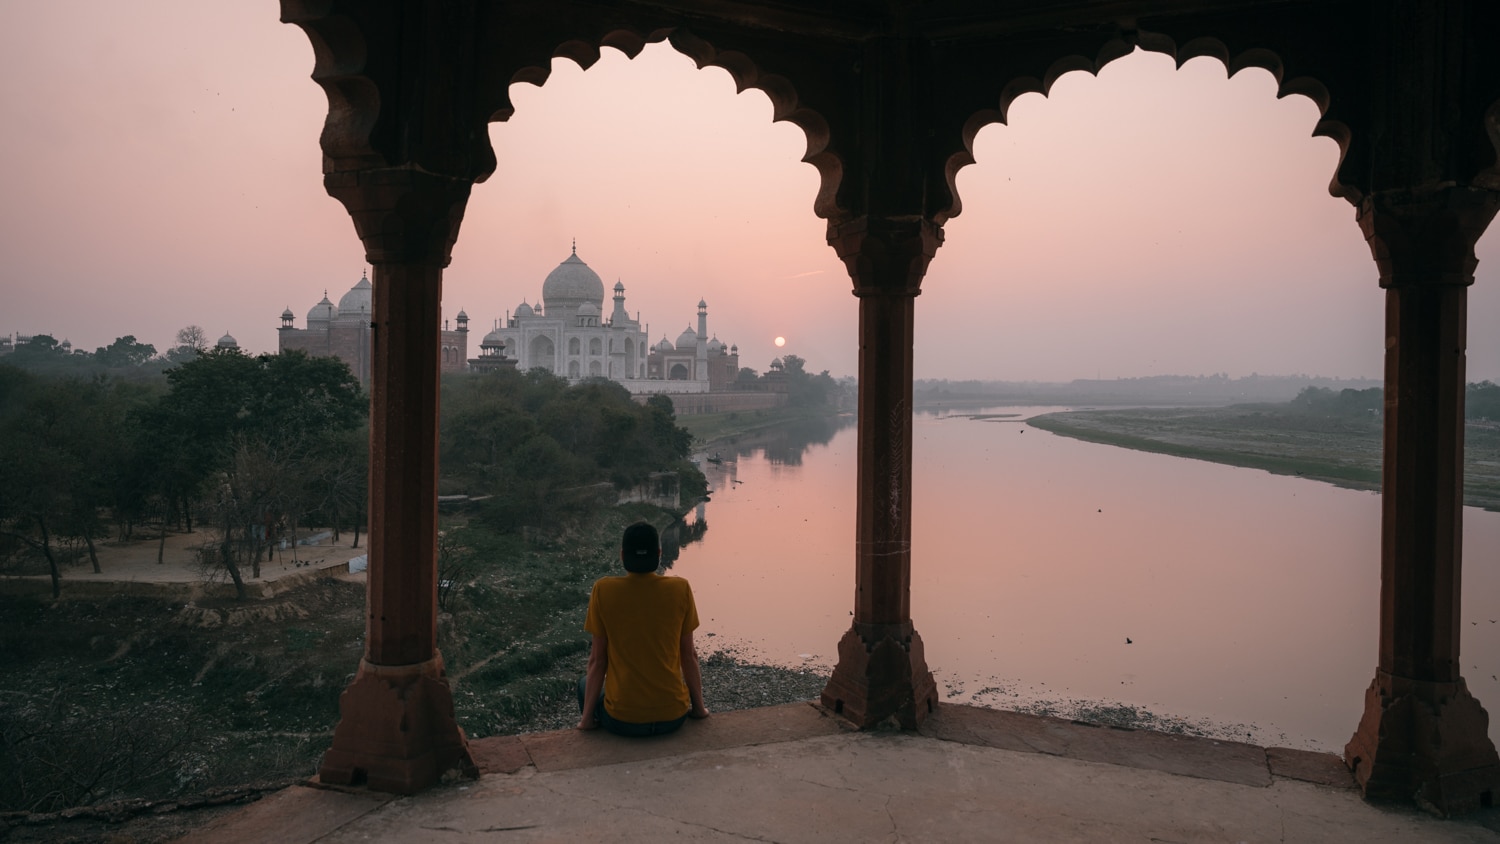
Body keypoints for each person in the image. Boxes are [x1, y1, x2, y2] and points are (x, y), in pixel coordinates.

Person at [576, 521, 710, 735]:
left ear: (622, 555)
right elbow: (689, 655)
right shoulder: (680, 589)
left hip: (623, 720)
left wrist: (585, 721)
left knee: (583, 684)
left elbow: (597, 661)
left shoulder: (603, 590)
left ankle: (590, 723)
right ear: (658, 553)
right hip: (673, 717)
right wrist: (699, 709)